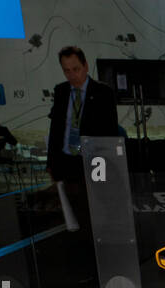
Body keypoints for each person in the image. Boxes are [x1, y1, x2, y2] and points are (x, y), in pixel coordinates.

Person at [45, 45, 118, 232]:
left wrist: (103, 164)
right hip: (67, 160)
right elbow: (56, 129)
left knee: (98, 208)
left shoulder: (103, 93)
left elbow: (109, 133)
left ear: (85, 66)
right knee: (74, 211)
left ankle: (102, 243)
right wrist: (51, 162)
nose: (72, 75)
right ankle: (81, 245)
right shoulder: (61, 91)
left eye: (75, 69)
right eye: (66, 71)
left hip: (94, 160)